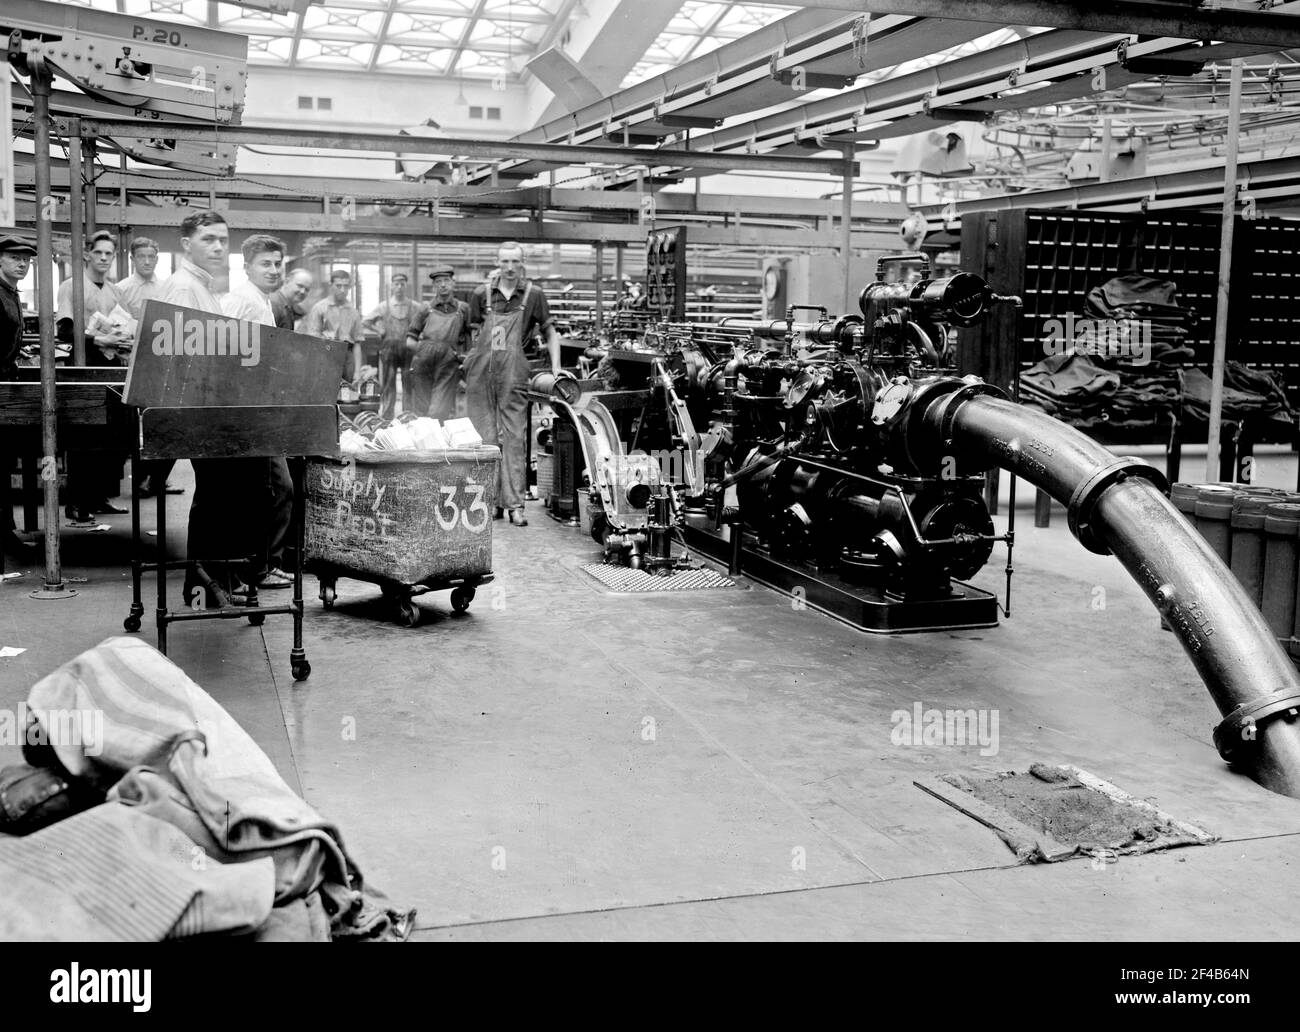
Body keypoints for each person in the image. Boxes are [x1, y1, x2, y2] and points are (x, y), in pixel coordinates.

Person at [155, 211, 288, 600]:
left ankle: (217, 579)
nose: (217, 247)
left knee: (220, 499)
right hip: (202, 412)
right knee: (217, 500)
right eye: (208, 239)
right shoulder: (184, 289)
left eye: (222, 240)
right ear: (186, 245)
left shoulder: (203, 288)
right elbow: (182, 359)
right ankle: (207, 582)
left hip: (212, 409)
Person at [466, 241, 560, 527]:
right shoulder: (481, 294)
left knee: (515, 438)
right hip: (482, 374)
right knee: (485, 438)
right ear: (497, 262)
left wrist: (556, 369)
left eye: (515, 262)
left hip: (513, 373)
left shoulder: (534, 295)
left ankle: (515, 505)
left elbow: (551, 331)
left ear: (522, 264)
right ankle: (490, 501)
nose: (509, 268)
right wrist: (473, 362)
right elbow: (472, 334)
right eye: (504, 261)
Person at [56, 230, 130, 521]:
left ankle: (99, 496)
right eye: (98, 252)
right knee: (82, 436)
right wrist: (99, 341)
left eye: (108, 253)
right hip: (81, 365)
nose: (103, 258)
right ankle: (76, 502)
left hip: (109, 365)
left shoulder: (114, 291)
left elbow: (122, 325)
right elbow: (63, 331)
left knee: (110, 435)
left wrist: (121, 338)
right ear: (87, 254)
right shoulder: (71, 286)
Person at [1, 233, 38, 562]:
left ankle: (6, 534)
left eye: (26, 259)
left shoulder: (10, 292)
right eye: (14, 257)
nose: (22, 263)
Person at [405, 265, 468, 421]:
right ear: (434, 286)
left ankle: (440, 443)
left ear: (453, 283)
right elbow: (409, 341)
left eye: (446, 280)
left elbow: (469, 338)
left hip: (448, 365)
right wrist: (425, 350)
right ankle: (424, 444)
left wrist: (460, 357)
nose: (443, 285)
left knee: (440, 410)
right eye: (438, 281)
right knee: (421, 410)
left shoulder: (463, 309)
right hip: (423, 364)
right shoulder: (425, 309)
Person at [364, 272, 426, 419]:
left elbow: (426, 321)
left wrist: (420, 335)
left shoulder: (415, 306)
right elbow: (366, 321)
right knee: (388, 383)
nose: (399, 287)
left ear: (406, 286)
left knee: (408, 382)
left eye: (402, 284)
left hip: (408, 349)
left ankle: (407, 416)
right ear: (391, 286)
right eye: (396, 284)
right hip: (389, 350)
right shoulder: (384, 306)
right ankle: (386, 415)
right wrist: (379, 329)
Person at [305, 269, 364, 382]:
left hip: (347, 358)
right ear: (330, 285)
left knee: (347, 395)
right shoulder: (319, 308)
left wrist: (357, 372)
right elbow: (312, 339)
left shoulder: (353, 312)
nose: (343, 290)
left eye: (346, 286)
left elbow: (357, 343)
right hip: (325, 356)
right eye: (338, 286)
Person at [115, 237, 163, 322]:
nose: (147, 262)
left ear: (157, 260)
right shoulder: (120, 289)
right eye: (141, 257)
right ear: (132, 259)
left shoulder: (166, 288)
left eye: (151, 257)